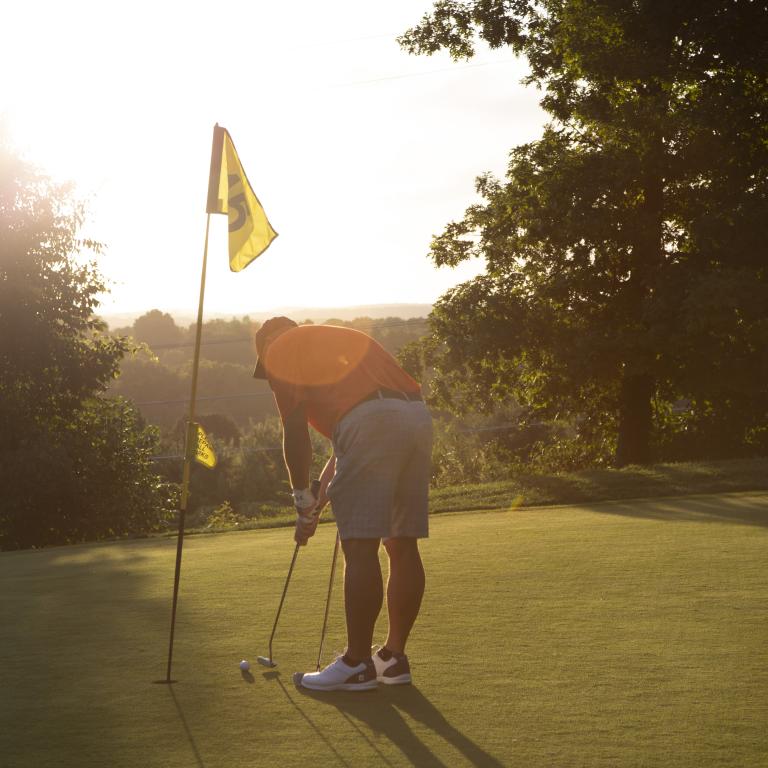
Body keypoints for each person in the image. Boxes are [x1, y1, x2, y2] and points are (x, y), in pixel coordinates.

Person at [253, 316, 433, 692]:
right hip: (415, 417)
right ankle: (393, 659)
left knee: (360, 546)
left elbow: (295, 430)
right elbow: (348, 445)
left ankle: (357, 663)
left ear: (267, 345)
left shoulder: (279, 351)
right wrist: (316, 503)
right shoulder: (337, 340)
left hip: (370, 422)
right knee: (401, 541)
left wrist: (300, 495)